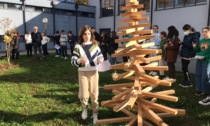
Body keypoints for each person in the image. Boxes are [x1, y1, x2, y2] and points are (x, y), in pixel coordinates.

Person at [71, 25, 104, 124]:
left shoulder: (95, 45)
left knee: (94, 93)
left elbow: (101, 56)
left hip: (94, 72)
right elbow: (72, 61)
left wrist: (100, 60)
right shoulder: (78, 46)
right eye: (85, 34)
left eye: (88, 34)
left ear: (91, 34)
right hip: (82, 72)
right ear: (82, 35)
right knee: (83, 93)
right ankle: (84, 108)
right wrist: (79, 60)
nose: (87, 36)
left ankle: (95, 113)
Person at [192, 27, 210, 105]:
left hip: (207, 61)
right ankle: (199, 89)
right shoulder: (202, 41)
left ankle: (206, 91)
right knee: (198, 75)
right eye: (203, 32)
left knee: (205, 76)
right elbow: (200, 51)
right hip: (199, 60)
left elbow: (207, 54)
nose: (204, 33)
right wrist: (194, 47)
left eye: (205, 31)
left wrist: (205, 57)